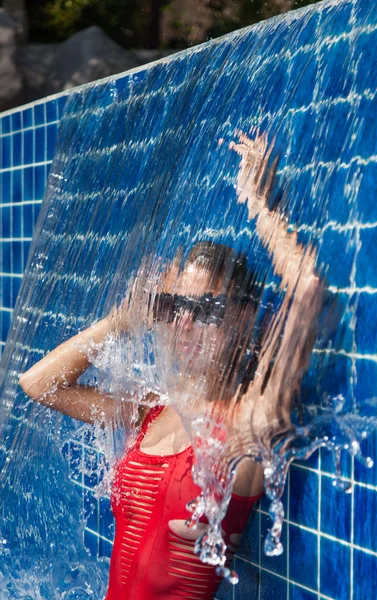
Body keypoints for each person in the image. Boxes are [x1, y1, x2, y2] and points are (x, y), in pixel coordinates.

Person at [19, 129, 324, 599]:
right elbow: (39, 384)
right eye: (176, 307)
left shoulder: (245, 426)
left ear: (243, 319)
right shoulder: (152, 411)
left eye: (207, 311)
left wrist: (259, 205)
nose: (186, 325)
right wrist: (123, 318)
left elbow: (308, 294)